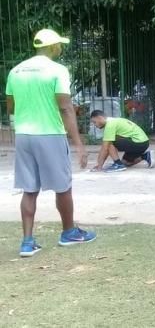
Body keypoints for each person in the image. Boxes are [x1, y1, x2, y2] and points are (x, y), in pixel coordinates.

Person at [5, 28, 96, 257]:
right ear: (53, 46)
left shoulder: (15, 71)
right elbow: (65, 107)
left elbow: (11, 107)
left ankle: (27, 242)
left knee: (29, 189)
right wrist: (79, 144)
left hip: (24, 136)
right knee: (62, 186)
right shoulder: (57, 70)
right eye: (59, 44)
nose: (61, 48)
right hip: (50, 135)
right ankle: (69, 232)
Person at [89, 110, 155, 172]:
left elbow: (105, 148)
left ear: (100, 118)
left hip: (139, 142)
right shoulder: (113, 121)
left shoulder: (110, 124)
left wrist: (99, 166)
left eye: (95, 122)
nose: (95, 125)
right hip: (143, 143)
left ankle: (118, 164)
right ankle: (146, 156)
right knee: (126, 162)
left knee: (109, 143)